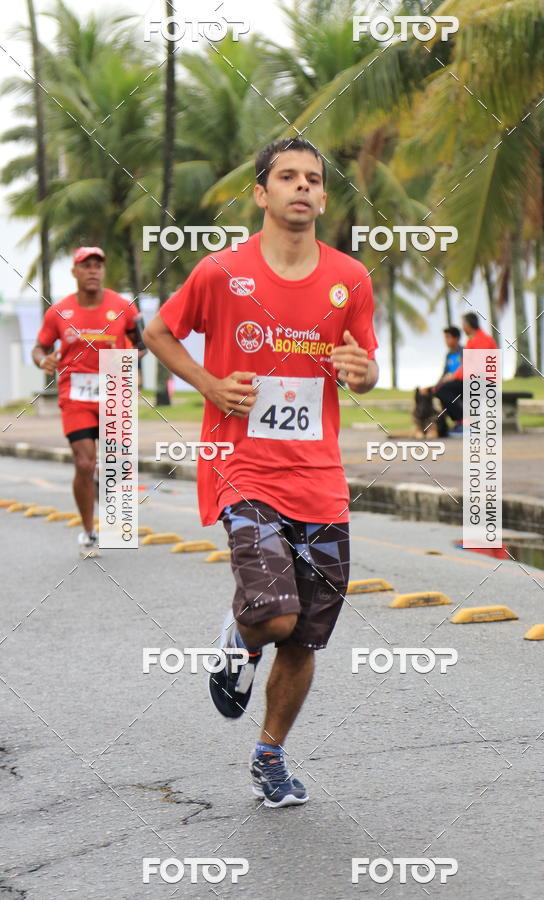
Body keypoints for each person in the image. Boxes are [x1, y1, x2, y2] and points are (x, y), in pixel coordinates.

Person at [143, 137, 379, 808]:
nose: (301, 186)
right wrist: (211, 385)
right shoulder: (221, 272)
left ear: (324, 196)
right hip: (242, 468)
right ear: (262, 192)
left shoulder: (350, 279)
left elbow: (366, 362)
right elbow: (158, 331)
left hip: (321, 478)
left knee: (304, 639)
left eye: (313, 178)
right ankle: (238, 638)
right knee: (274, 617)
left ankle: (269, 756)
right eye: (287, 177)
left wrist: (366, 372)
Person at [32, 247, 145, 557]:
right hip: (76, 396)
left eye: (98, 266)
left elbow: (144, 344)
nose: (93, 271)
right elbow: (39, 348)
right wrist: (43, 361)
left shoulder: (124, 307)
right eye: (86, 266)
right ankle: (88, 532)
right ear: (75, 272)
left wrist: (127, 360)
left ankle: (102, 487)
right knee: (84, 462)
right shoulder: (58, 312)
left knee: (116, 465)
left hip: (115, 390)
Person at [434, 312, 497, 435]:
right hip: (474, 379)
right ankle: (460, 423)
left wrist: (453, 376)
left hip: (483, 381)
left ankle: (464, 423)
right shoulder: (473, 340)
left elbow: (478, 367)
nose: (463, 327)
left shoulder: (481, 340)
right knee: (443, 389)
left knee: (444, 390)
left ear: (468, 325)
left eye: (463, 324)